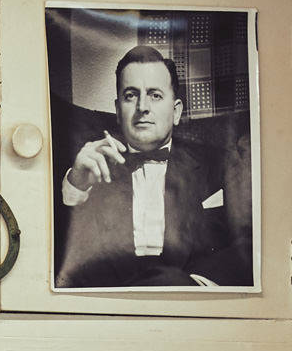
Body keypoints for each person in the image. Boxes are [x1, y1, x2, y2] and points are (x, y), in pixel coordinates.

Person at [57, 44, 247, 289]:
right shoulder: (89, 169)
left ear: (176, 111)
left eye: (155, 95)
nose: (142, 107)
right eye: (131, 95)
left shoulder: (221, 163)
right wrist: (76, 185)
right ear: (118, 111)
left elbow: (250, 241)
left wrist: (195, 286)